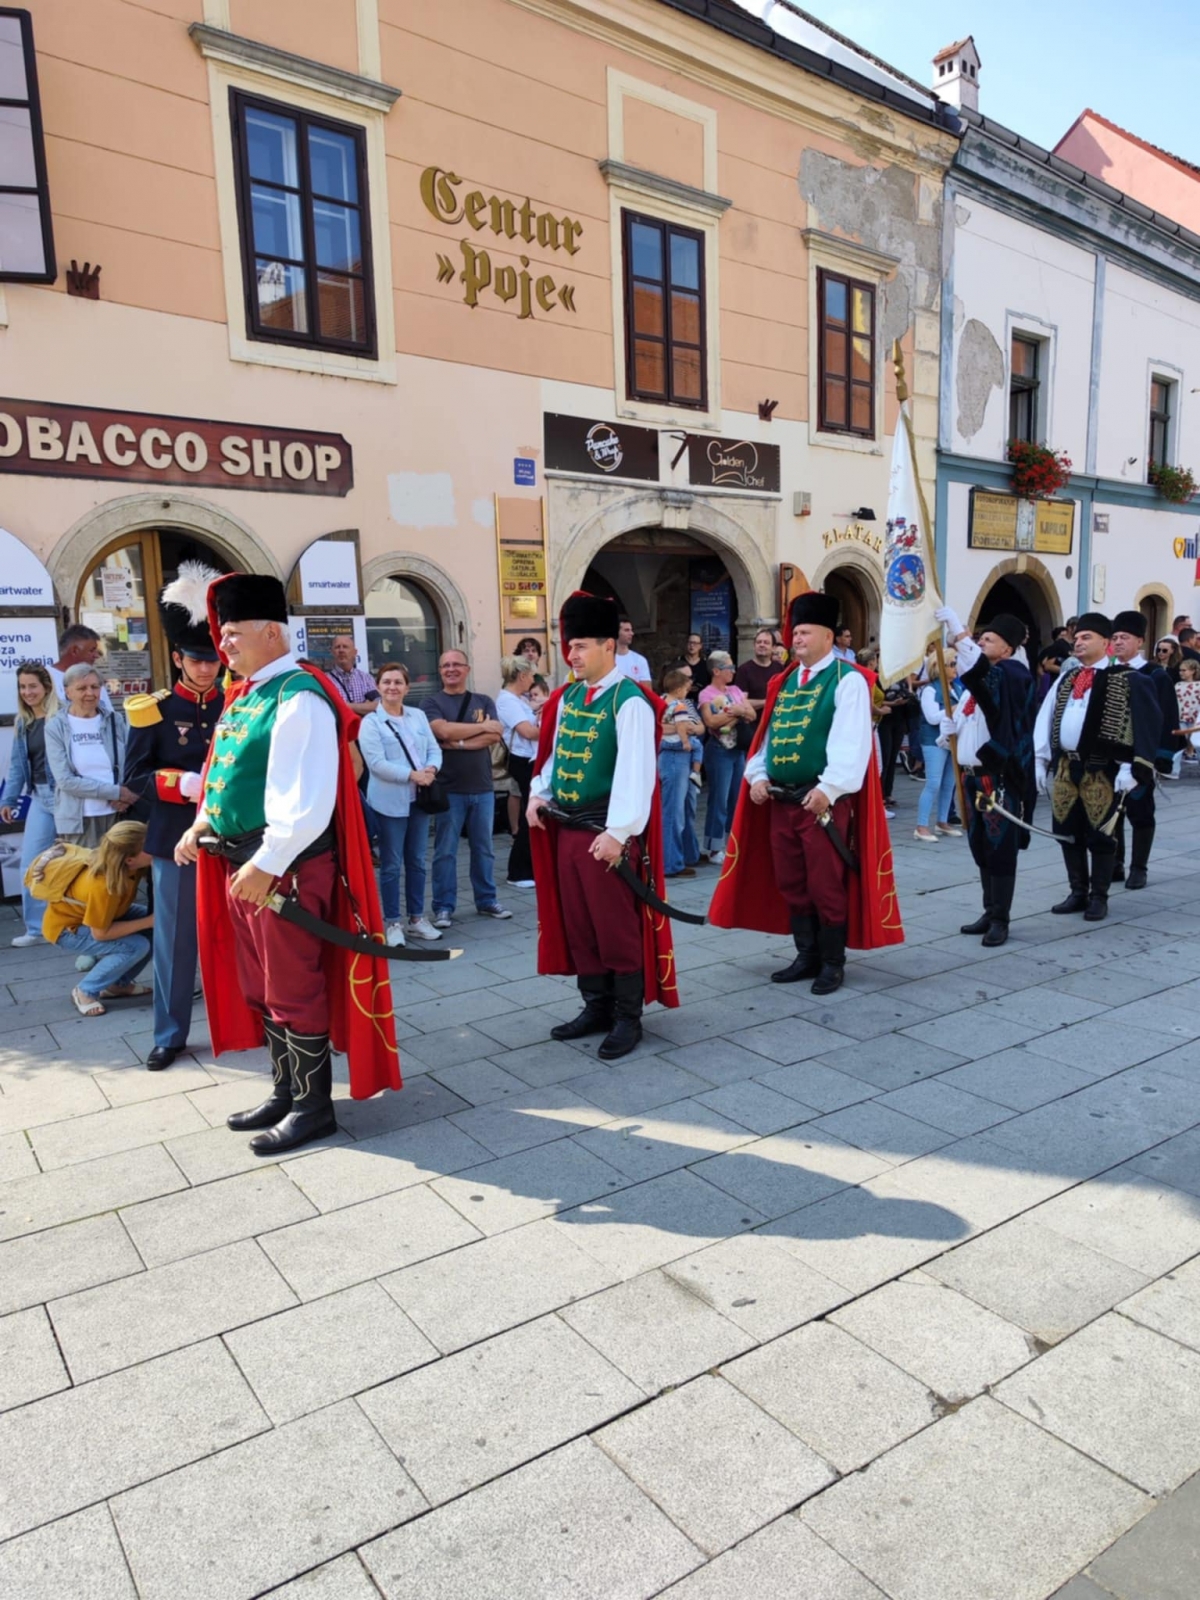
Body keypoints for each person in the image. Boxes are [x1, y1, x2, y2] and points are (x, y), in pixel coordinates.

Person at [176, 573, 400, 1155]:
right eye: (222, 635)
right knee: (264, 985)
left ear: (271, 631)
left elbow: (306, 799)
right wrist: (201, 824)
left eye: (231, 633)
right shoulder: (248, 692)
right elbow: (224, 777)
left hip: (284, 870)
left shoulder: (298, 694)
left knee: (293, 988)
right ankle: (286, 1091)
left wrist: (267, 862)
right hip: (244, 864)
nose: (222, 645)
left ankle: (313, 1108)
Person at [709, 592, 902, 991]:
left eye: (803, 632)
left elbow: (852, 744)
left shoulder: (848, 681)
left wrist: (829, 788)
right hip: (781, 799)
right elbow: (768, 739)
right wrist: (758, 776)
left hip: (821, 804)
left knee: (825, 883)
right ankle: (806, 954)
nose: (794, 639)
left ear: (828, 637)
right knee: (792, 881)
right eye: (793, 632)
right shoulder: (785, 680)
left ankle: (832, 961)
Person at [528, 591, 676, 1058]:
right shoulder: (570, 696)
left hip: (604, 835)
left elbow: (636, 774)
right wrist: (538, 793)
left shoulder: (629, 701)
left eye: (582, 645)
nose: (571, 654)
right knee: (581, 927)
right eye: (569, 646)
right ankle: (596, 1006)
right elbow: (556, 756)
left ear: (609, 645)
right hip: (567, 831)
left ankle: (628, 1017)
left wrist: (618, 833)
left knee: (614, 927)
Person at [121, 564, 222, 1070]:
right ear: (179, 657)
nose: (206, 670)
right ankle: (169, 1034)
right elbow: (133, 777)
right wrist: (179, 784)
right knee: (176, 944)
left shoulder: (235, 702)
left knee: (234, 939)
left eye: (213, 661)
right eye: (197, 661)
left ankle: (242, 1026)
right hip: (174, 836)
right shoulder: (153, 710)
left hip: (230, 836)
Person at [1033, 611, 1157, 923]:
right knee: (1066, 832)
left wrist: (1133, 766)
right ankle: (1078, 891)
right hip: (1066, 767)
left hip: (1102, 769)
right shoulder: (1068, 677)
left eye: (1086, 637)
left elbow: (1145, 724)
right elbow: (1045, 716)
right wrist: (1040, 757)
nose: (1078, 642)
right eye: (1076, 638)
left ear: (1106, 642)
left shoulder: (1129, 679)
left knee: (1101, 833)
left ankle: (1099, 896)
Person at [935, 608, 1036, 947]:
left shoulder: (1013, 674)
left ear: (1007, 649)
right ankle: (988, 909)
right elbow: (974, 712)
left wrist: (959, 633)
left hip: (999, 778)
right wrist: (950, 732)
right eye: (980, 638)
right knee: (980, 846)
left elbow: (987, 689)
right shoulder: (981, 679)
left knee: (1001, 848)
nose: (981, 642)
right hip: (971, 777)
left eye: (988, 639)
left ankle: (1001, 920)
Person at [424, 649, 511, 927]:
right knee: (445, 852)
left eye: (456, 664)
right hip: (449, 789)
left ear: (467, 669)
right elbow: (442, 732)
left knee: (484, 848)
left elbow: (495, 735)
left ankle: (487, 900)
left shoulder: (483, 700)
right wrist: (478, 728)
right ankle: (443, 907)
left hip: (483, 788)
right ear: (440, 671)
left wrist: (458, 741)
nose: (451, 669)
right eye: (445, 665)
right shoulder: (431, 702)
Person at [358, 662, 443, 945]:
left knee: (417, 861)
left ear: (407, 687)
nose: (392, 687)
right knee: (392, 864)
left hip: (419, 799)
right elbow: (377, 764)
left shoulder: (418, 716)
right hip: (389, 803)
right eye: (386, 682)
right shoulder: (370, 723)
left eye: (398, 682)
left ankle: (417, 918)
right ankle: (392, 922)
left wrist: (431, 769)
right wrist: (412, 775)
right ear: (378, 687)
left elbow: (434, 748)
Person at [37, 820, 154, 1018]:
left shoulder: (128, 864)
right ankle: (85, 991)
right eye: (149, 846)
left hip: (108, 914)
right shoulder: (103, 886)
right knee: (137, 945)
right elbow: (100, 933)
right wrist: (150, 921)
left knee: (155, 930)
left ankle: (117, 984)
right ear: (129, 860)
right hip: (68, 929)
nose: (155, 848)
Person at [1109, 610, 1180, 890]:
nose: (1118, 643)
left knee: (1139, 809)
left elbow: (1167, 716)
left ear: (1139, 641)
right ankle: (1114, 862)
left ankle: (1139, 867)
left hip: (1140, 754)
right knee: (1110, 810)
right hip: (1110, 753)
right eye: (1114, 637)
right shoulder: (1107, 671)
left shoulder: (1154, 675)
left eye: (1124, 637)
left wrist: (1162, 756)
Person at [0, 663, 60, 945]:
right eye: (23, 687)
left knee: (80, 860)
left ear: (46, 687)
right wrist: (9, 799)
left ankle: (84, 923)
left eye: (32, 686)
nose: (27, 692)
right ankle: (36, 929)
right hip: (38, 796)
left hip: (66, 796)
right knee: (30, 864)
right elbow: (15, 766)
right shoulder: (23, 722)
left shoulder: (60, 717)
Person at [46, 664, 135, 846]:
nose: (90, 693)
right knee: (86, 872)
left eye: (95, 687)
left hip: (117, 814)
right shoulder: (55, 727)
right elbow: (65, 780)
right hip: (79, 819)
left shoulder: (114, 720)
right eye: (82, 688)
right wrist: (117, 792)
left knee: (117, 872)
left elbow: (130, 763)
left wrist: (126, 796)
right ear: (67, 692)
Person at [698, 652, 756, 864]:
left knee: (736, 797)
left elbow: (752, 715)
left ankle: (734, 843)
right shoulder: (706, 694)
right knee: (719, 799)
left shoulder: (735, 690)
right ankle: (714, 847)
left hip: (738, 749)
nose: (733, 671)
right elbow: (711, 721)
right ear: (716, 670)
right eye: (729, 668)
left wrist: (740, 711)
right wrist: (738, 711)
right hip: (719, 750)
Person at [496, 655, 540, 889]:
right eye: (531, 675)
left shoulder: (518, 698)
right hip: (522, 760)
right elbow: (528, 732)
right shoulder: (507, 701)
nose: (533, 680)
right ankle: (518, 870)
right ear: (522, 676)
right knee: (529, 813)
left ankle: (530, 866)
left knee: (533, 811)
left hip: (529, 759)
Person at [913, 646, 964, 842]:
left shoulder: (957, 688)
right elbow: (932, 717)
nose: (955, 667)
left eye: (955, 663)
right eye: (951, 664)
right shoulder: (930, 690)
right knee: (933, 783)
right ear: (939, 667)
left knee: (949, 783)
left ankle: (942, 821)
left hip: (953, 739)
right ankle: (921, 825)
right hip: (933, 740)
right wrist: (953, 708)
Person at [658, 666, 704, 878]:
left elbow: (698, 726)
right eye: (686, 688)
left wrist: (683, 729)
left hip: (679, 756)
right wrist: (682, 731)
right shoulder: (669, 704)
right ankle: (670, 862)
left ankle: (686, 853)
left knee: (686, 808)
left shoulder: (669, 703)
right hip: (674, 756)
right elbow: (659, 727)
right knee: (673, 812)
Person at [49, 624, 113, 712]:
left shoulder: (94, 679)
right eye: (92, 650)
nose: (96, 655)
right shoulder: (45, 678)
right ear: (75, 651)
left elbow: (109, 715)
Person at [326, 634, 379, 716]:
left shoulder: (366, 678)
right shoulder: (325, 680)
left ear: (355, 652)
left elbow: (378, 705)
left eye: (345, 647)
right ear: (332, 652)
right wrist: (364, 706)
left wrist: (344, 705)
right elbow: (327, 708)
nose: (341, 650)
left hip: (363, 728)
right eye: (337, 647)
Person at [733, 628, 783, 711]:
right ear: (754, 646)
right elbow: (741, 701)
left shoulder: (779, 668)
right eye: (758, 642)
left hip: (776, 720)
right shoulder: (744, 670)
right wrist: (766, 702)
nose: (761, 645)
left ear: (773, 648)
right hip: (754, 721)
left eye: (766, 642)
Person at [1175, 658, 1200, 756]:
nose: (1181, 673)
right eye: (1180, 670)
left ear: (1193, 671)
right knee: (1183, 737)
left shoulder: (1198, 685)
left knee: (1192, 737)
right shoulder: (1178, 685)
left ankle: (1190, 753)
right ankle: (1184, 753)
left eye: (1184, 670)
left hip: (1194, 716)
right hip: (1181, 715)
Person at [614, 619, 652, 684]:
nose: (631, 633)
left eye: (631, 630)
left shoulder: (640, 660)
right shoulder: (606, 660)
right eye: (626, 630)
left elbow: (647, 689)